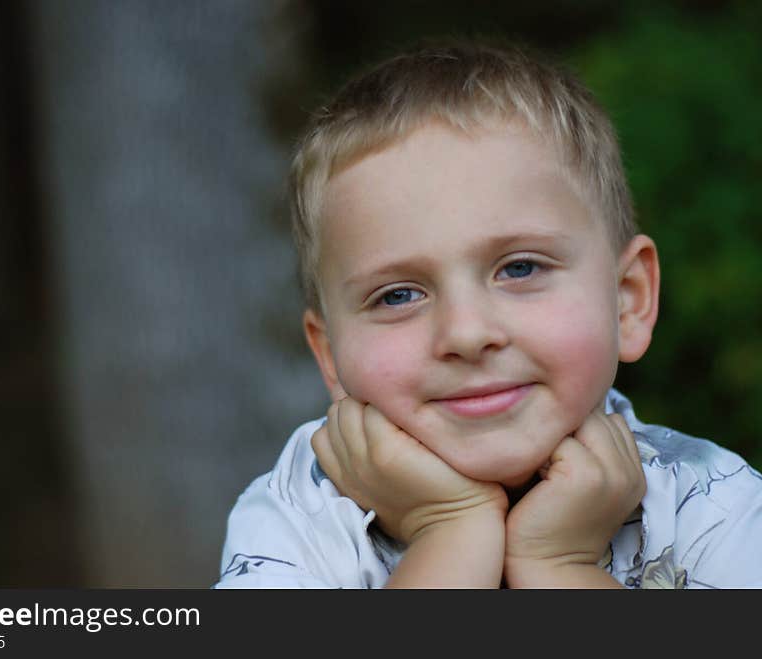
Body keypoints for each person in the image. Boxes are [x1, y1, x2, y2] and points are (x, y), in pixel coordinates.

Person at [214, 38, 762, 588]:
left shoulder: (715, 506)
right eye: (398, 295)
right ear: (331, 356)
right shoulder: (293, 521)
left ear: (628, 299)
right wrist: (448, 533)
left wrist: (557, 566)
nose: (467, 333)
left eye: (520, 268)